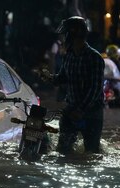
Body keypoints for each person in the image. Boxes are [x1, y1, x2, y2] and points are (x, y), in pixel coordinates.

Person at [38, 16, 105, 155]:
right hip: (71, 109)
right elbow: (62, 78)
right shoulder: (68, 56)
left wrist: (81, 110)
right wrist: (48, 77)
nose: (62, 39)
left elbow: (95, 89)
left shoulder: (95, 57)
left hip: (91, 113)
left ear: (72, 35)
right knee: (63, 150)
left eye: (65, 34)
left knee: (91, 153)